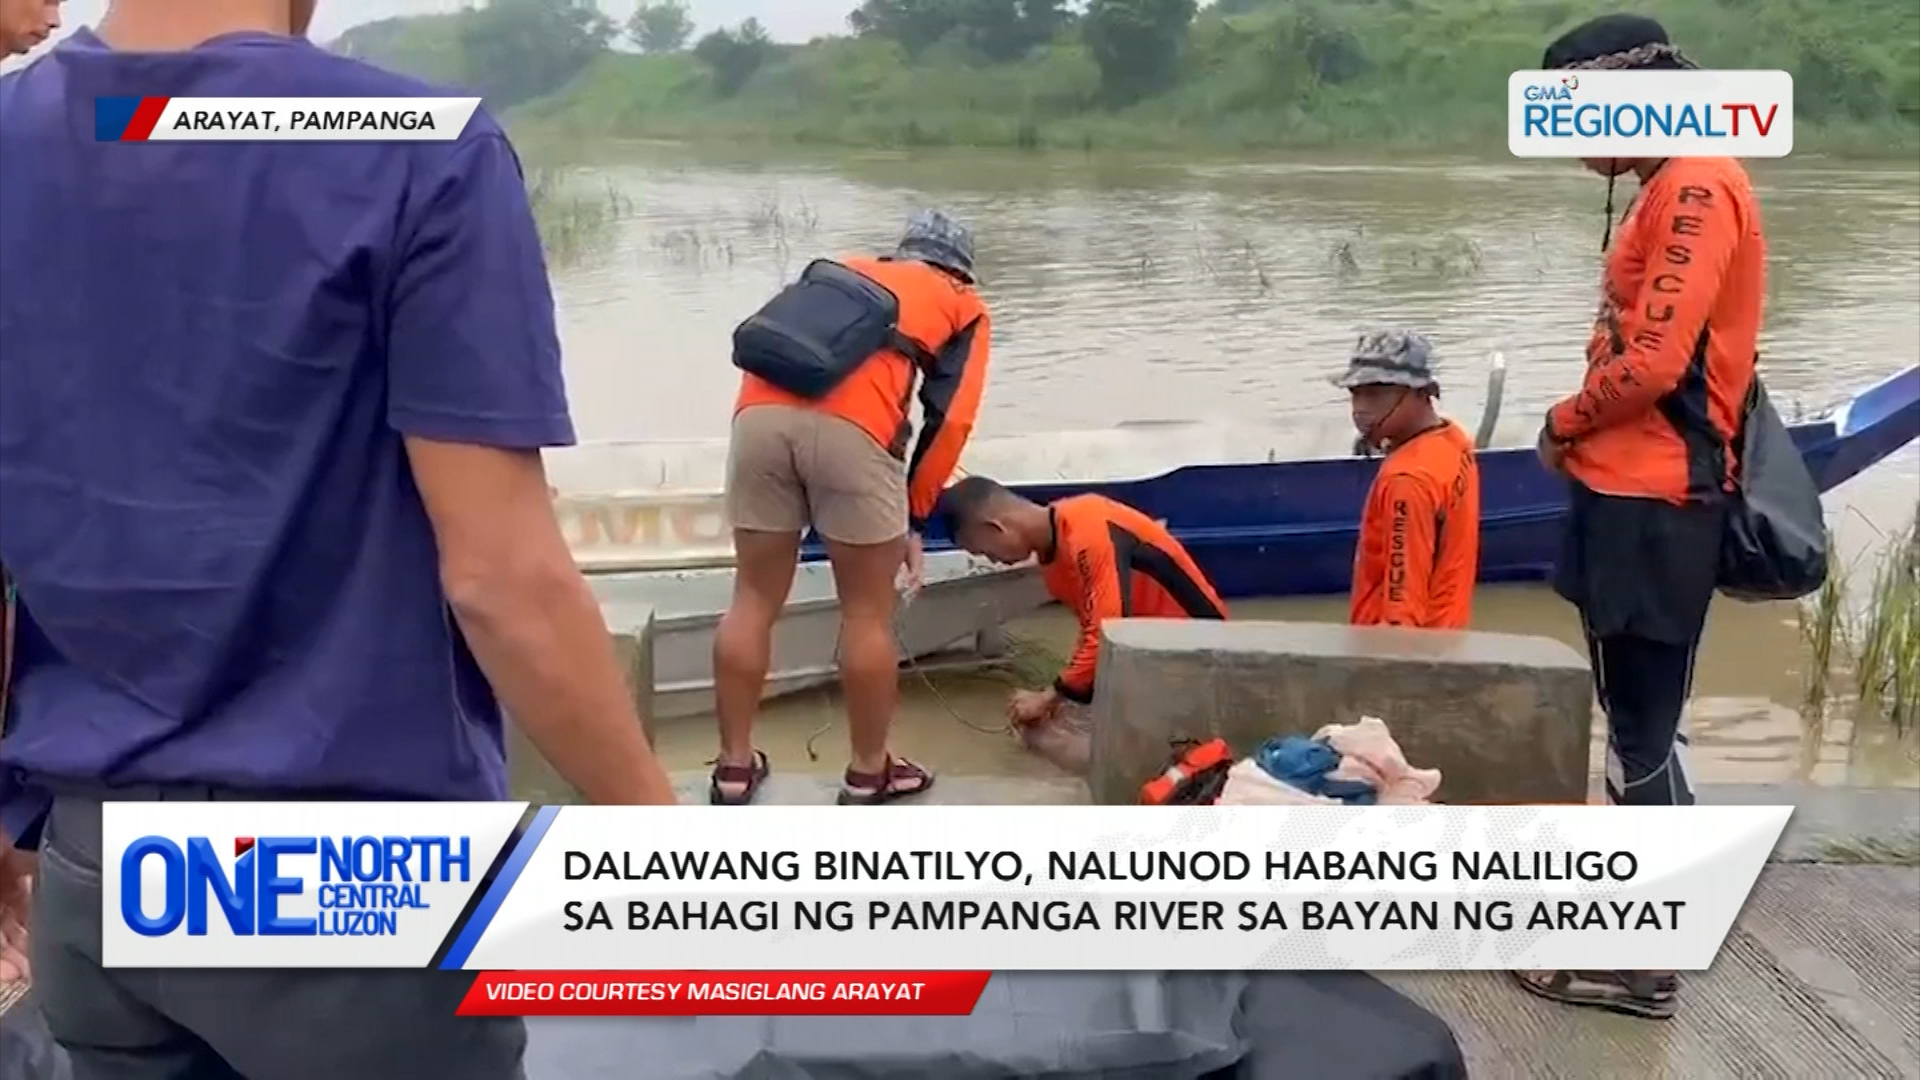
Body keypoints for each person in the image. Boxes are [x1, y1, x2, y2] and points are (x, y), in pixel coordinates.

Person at [0, 2, 679, 1077]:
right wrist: (661, 843)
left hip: (98, 870)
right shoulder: (416, 150)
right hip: (352, 891)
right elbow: (502, 578)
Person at [1520, 14, 1766, 1021]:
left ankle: (1643, 960)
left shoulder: (1697, 185)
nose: (1570, 144)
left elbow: (1658, 364)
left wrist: (1560, 420)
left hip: (1654, 497)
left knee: (1640, 737)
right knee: (1642, 723)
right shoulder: (1671, 180)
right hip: (1629, 488)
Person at [711, 211, 991, 806]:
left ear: (901, 252)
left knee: (753, 598)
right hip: (855, 434)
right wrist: (915, 514)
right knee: (866, 616)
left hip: (756, 423)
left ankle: (733, 768)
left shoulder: (840, 269)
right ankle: (870, 772)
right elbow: (952, 421)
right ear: (960, 271)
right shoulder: (961, 305)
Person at [938, 477, 1228, 765]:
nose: (993, 560)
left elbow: (1107, 630)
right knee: (1050, 727)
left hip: (1198, 652)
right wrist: (1061, 697)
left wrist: (1050, 696)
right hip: (1146, 655)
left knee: (1108, 756)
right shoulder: (1053, 560)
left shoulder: (1089, 528)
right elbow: (1093, 629)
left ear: (995, 527)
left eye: (986, 551)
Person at [1335, 331, 1481, 630]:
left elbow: (1402, 615)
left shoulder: (1407, 480)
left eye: (1375, 392)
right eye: (1355, 393)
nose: (1360, 408)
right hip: (1447, 637)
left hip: (1402, 654)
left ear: (1420, 392)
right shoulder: (1454, 440)